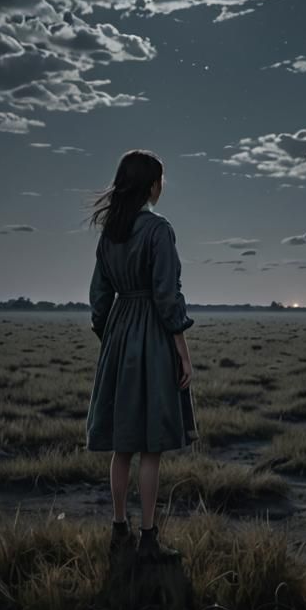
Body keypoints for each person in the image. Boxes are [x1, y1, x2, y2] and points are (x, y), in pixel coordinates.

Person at [84, 149, 198, 562]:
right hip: (151, 334)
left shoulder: (109, 233)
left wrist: (112, 337)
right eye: (161, 180)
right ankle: (148, 538)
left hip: (118, 335)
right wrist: (183, 352)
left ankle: (119, 530)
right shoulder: (158, 230)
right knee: (150, 446)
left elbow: (99, 299)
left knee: (122, 445)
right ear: (152, 185)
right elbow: (168, 298)